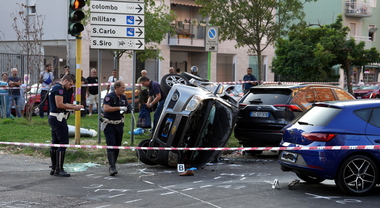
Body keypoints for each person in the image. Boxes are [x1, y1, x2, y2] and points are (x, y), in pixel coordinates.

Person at [48, 75, 83, 177]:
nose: (70, 87)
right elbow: (60, 105)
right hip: (58, 118)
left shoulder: (54, 87)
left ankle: (54, 167)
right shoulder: (59, 89)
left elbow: (64, 103)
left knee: (55, 142)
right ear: (66, 81)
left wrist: (75, 106)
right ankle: (59, 169)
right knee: (63, 142)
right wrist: (74, 108)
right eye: (70, 84)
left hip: (54, 117)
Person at [102, 80, 130, 176]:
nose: (124, 89)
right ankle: (112, 166)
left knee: (117, 144)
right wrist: (119, 108)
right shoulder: (109, 96)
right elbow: (106, 108)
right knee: (111, 144)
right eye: (122, 87)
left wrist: (128, 109)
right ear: (117, 88)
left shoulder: (123, 97)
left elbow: (126, 106)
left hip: (119, 124)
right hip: (109, 124)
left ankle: (114, 163)